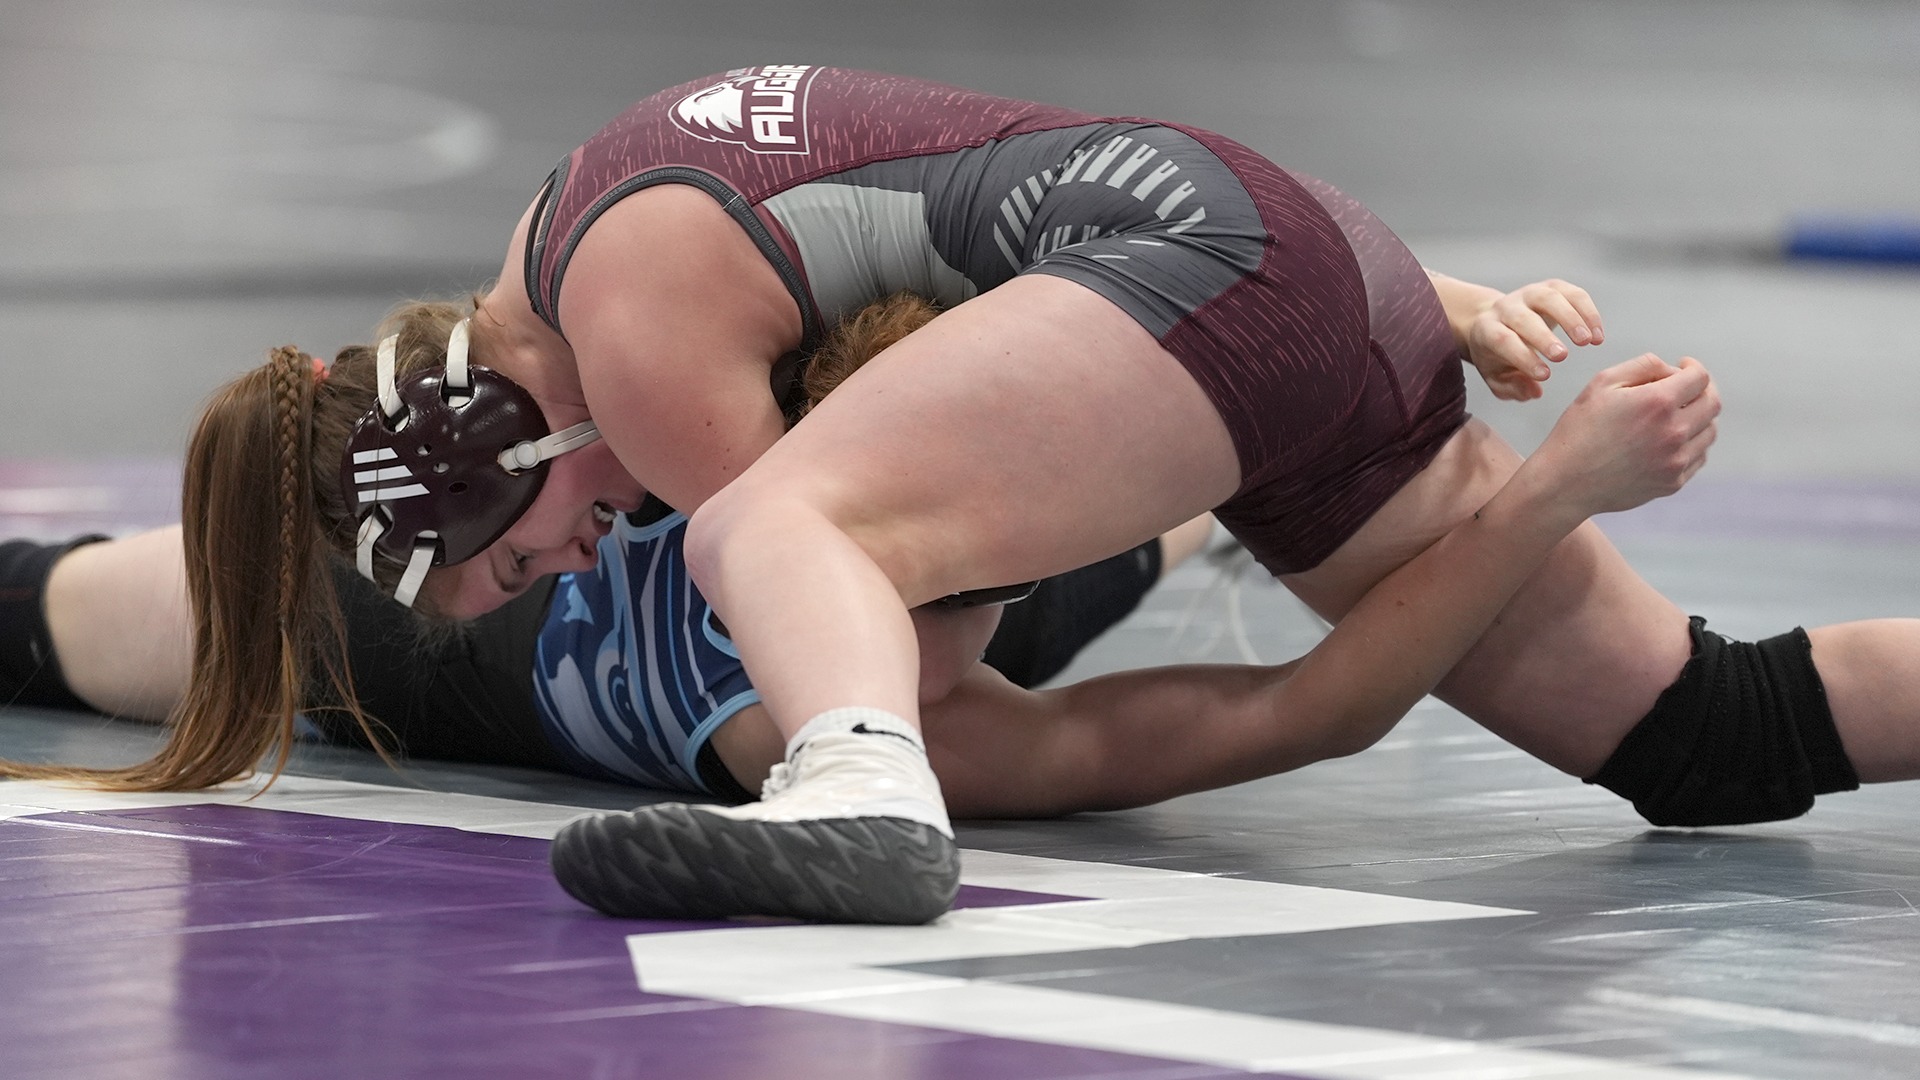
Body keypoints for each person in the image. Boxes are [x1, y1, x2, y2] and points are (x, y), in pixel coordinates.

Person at [14, 65, 1916, 926]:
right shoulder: (609, 272)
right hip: (1245, 277)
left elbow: (863, 546)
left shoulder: (643, 333)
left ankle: (868, 800)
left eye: (533, 546)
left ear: (499, 435)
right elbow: (1042, 182)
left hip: (1205, 291)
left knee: (782, 539)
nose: (570, 567)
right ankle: (888, 752)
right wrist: (1461, 354)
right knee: (1705, 737)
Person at [0, 293, 1214, 802]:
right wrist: (1349, 685)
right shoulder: (678, 388)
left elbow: (1078, 743)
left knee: (48, 614)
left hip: (387, 644)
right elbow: (1094, 744)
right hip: (398, 617)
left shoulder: (836, 704)